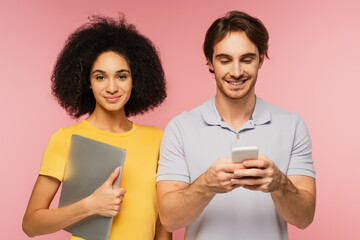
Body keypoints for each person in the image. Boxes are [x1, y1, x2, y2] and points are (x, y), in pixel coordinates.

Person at [156, 11, 316, 240]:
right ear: (210, 62)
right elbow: (169, 219)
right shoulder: (180, 128)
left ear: (261, 59)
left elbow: (305, 218)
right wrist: (207, 185)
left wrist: (279, 184)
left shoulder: (292, 126)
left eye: (247, 59)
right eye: (225, 60)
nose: (237, 72)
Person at [22, 15, 171, 240]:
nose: (112, 87)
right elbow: (31, 225)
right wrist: (90, 206)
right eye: (100, 77)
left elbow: (163, 222)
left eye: (121, 76)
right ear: (88, 82)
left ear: (135, 80)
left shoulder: (156, 139)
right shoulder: (66, 139)